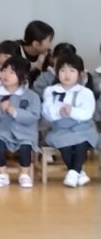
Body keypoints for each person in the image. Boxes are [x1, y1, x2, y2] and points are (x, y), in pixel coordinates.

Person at [0, 56, 40, 188]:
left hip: (24, 133)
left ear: (22, 76)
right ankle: (2, 173)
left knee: (25, 146)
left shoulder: (32, 96)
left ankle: (24, 174)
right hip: (0, 131)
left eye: (12, 72)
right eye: (4, 70)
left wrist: (15, 112)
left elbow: (34, 116)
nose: (6, 75)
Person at [41, 52, 98, 188]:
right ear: (57, 73)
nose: (67, 75)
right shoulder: (50, 91)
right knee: (64, 143)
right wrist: (59, 112)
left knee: (81, 142)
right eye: (63, 70)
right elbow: (46, 111)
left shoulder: (86, 92)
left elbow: (87, 113)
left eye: (72, 71)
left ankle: (73, 172)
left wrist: (72, 111)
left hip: (83, 127)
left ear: (80, 73)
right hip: (59, 128)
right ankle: (78, 172)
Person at [16, 20, 54, 87]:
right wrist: (38, 67)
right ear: (36, 44)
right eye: (49, 41)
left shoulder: (47, 55)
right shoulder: (14, 52)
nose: (51, 44)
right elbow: (22, 83)